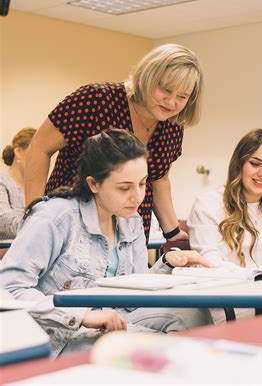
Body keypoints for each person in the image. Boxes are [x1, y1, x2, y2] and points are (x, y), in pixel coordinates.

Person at [0, 129, 213, 357]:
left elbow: (135, 290)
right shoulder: (54, 218)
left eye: (142, 184)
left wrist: (167, 264)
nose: (138, 197)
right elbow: (9, 289)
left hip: (114, 319)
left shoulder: (131, 220)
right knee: (160, 349)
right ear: (93, 184)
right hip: (60, 336)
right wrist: (82, 316)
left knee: (194, 315)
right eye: (124, 187)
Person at [24, 43, 203, 243]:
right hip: (73, 221)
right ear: (147, 77)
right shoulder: (96, 100)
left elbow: (158, 179)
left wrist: (172, 233)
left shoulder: (172, 125)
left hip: (129, 231)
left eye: (182, 96)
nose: (171, 102)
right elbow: (39, 148)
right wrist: (34, 213)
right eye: (166, 90)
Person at [188, 129, 262, 269]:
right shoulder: (207, 205)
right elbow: (209, 265)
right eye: (255, 164)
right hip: (227, 290)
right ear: (239, 164)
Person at [1, 127, 36, 240]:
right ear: (18, 152)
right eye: (37, 153)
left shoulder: (40, 186)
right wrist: (39, 225)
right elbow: (3, 222)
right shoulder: (2, 182)